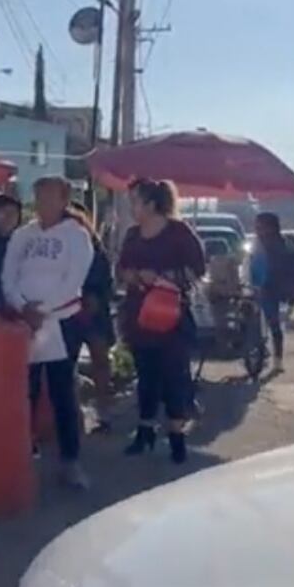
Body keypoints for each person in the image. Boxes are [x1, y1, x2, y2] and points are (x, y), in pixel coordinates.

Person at [2, 177, 94, 488]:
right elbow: (8, 274)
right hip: (23, 322)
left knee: (61, 392)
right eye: (38, 196)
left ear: (63, 198)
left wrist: (44, 311)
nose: (42, 202)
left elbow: (74, 280)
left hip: (60, 322)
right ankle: (20, 454)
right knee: (21, 391)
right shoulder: (23, 235)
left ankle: (70, 461)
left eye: (48, 196)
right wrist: (21, 306)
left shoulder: (77, 236)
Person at [118, 179, 206, 464]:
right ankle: (145, 431)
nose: (131, 207)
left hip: (171, 317)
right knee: (145, 376)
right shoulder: (132, 235)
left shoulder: (178, 232)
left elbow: (197, 269)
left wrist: (160, 277)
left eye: (135, 201)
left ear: (151, 204)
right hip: (140, 315)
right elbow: (120, 268)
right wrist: (130, 275)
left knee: (174, 377)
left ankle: (177, 436)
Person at [70, 201, 117, 433]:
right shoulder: (62, 247)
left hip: (95, 313)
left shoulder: (96, 250)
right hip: (68, 310)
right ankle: (73, 413)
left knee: (100, 361)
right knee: (68, 365)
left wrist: (95, 297)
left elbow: (107, 281)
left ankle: (104, 411)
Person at [251, 213, 294, 372]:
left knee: (274, 325)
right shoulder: (259, 243)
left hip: (273, 290)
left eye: (260, 225)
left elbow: (286, 270)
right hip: (261, 288)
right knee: (264, 324)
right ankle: (267, 355)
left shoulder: (278, 245)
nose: (257, 228)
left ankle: (277, 358)